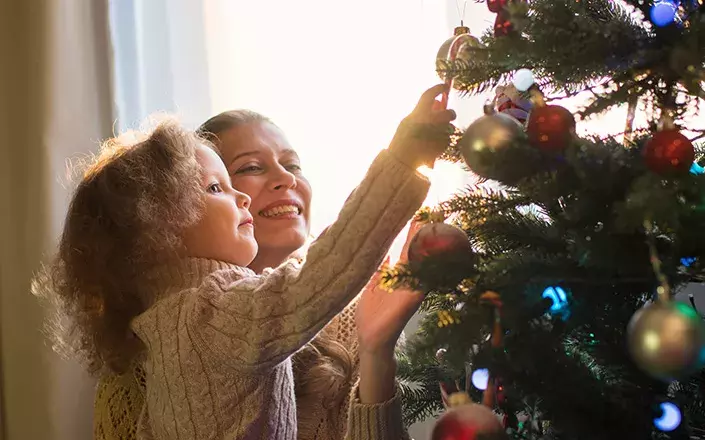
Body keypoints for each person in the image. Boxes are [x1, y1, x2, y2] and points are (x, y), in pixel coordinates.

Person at [36, 85, 455, 439]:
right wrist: (402, 160)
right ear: (161, 224)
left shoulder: (165, 328)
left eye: (293, 165)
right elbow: (328, 264)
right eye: (223, 183)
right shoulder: (212, 315)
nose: (283, 179)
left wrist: (375, 351)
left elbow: (320, 266)